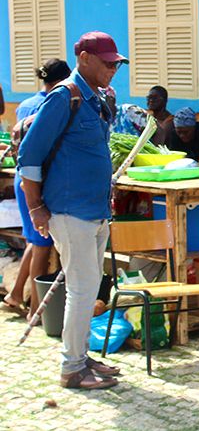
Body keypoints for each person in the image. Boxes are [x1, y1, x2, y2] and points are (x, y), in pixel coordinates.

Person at [18, 31, 127, 390]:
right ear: (84, 58)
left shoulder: (96, 99)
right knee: (81, 291)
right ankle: (72, 367)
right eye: (108, 63)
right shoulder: (64, 97)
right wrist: (36, 208)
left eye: (116, 64)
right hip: (70, 210)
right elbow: (29, 157)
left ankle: (79, 355)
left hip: (95, 210)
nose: (114, 69)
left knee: (89, 287)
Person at [1, 59, 71, 321]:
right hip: (38, 180)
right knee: (41, 244)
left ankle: (17, 294)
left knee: (35, 240)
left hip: (23, 179)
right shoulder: (53, 104)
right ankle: (35, 311)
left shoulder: (27, 104)